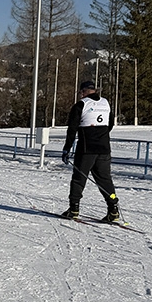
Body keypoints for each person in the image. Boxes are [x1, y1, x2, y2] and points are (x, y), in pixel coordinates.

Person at [61, 80, 120, 222]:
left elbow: (72, 129)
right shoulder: (105, 103)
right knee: (105, 180)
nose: (80, 94)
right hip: (104, 148)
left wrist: (66, 148)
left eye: (82, 92)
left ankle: (74, 209)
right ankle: (113, 210)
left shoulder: (81, 104)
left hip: (87, 149)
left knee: (78, 179)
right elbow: (110, 124)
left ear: (85, 91)